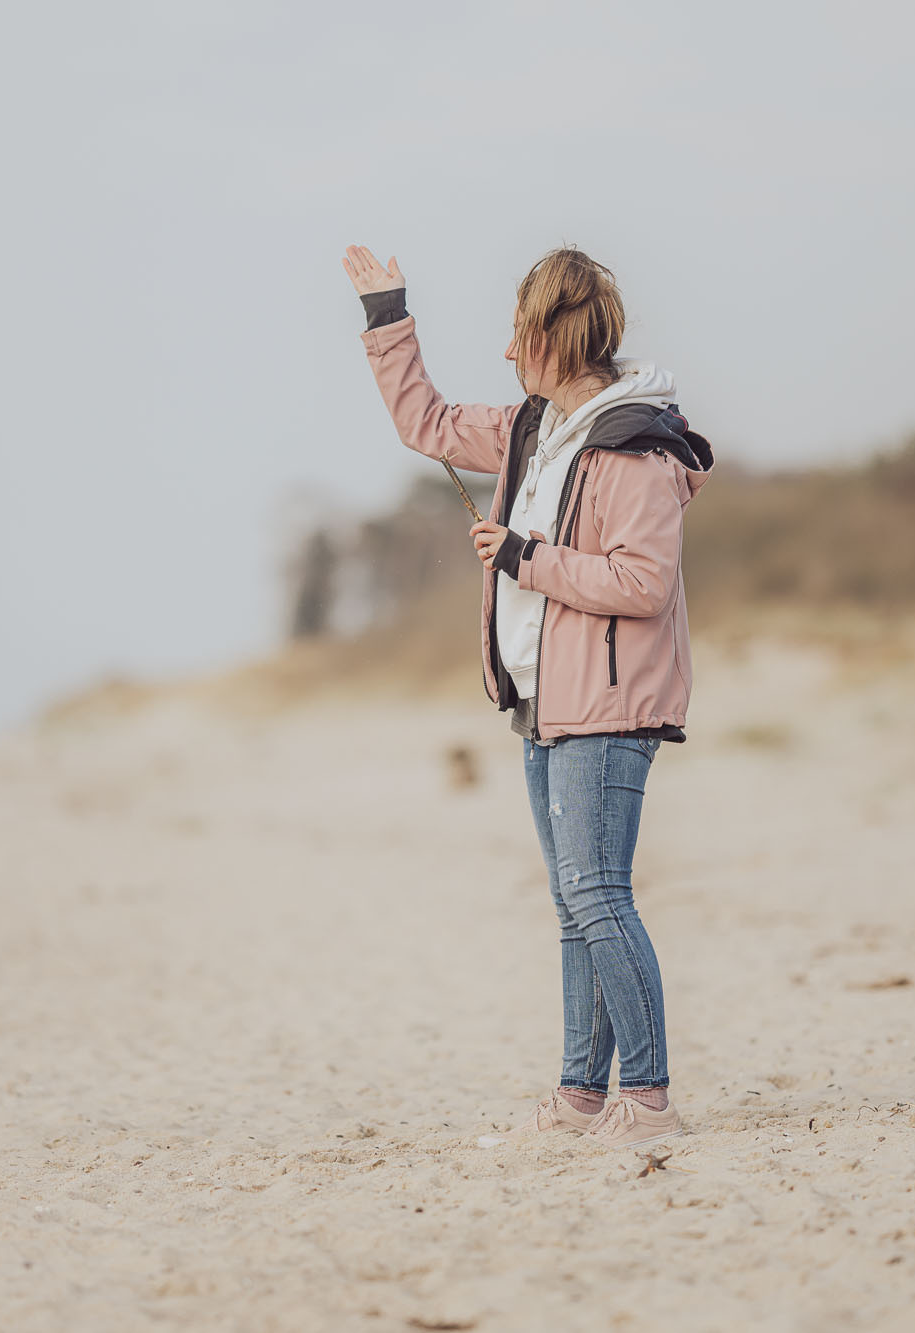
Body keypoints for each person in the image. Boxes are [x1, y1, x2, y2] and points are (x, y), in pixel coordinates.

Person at [342, 244, 713, 1149]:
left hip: (610, 707)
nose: (507, 353)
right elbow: (424, 422)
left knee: (599, 894)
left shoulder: (636, 447)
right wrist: (386, 312)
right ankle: (581, 1098)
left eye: (517, 333)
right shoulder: (526, 430)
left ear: (554, 333)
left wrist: (523, 556)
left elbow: (643, 583)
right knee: (571, 902)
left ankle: (651, 1101)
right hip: (542, 705)